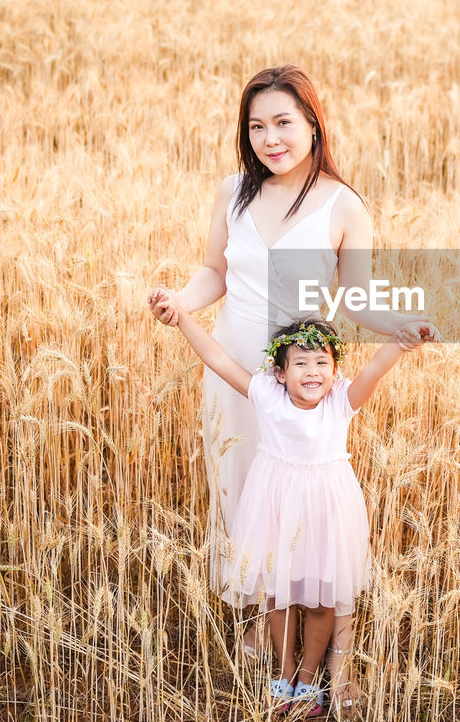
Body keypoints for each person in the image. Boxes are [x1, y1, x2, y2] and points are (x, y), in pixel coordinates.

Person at [146, 65, 435, 713]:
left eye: (283, 122)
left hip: (301, 382)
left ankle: (331, 659)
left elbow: (358, 300)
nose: (270, 137)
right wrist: (178, 301)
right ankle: (260, 627)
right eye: (256, 125)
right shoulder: (233, 192)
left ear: (312, 123)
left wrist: (404, 328)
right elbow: (213, 271)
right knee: (245, 498)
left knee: (311, 511)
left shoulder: (343, 204)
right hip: (235, 374)